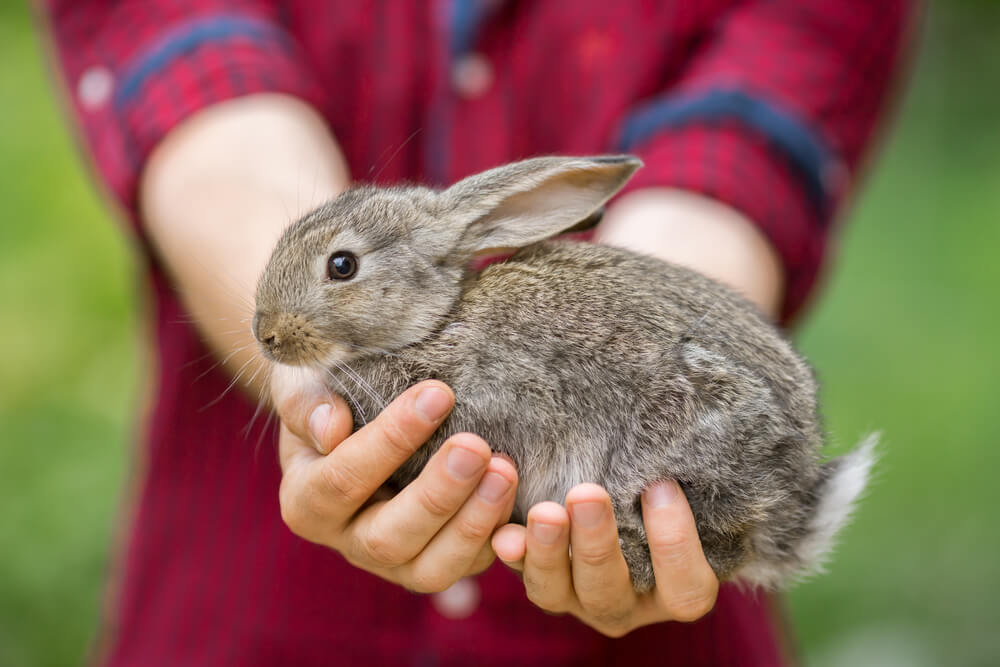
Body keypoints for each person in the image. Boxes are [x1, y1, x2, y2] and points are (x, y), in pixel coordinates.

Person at [41, 1, 913, 664]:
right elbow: (177, 50)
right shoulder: (406, 353)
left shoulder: (470, 327)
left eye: (342, 273)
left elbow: (776, 81)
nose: (269, 330)